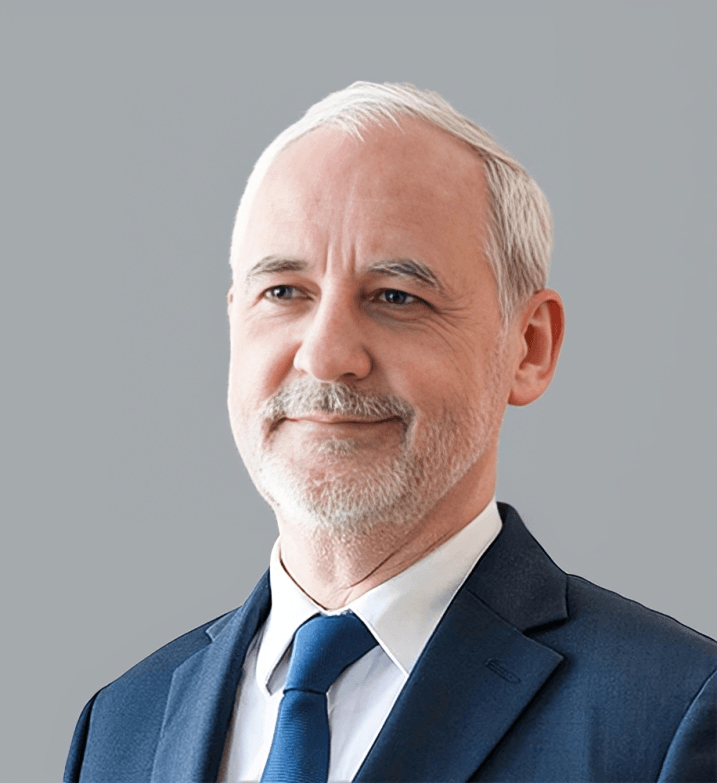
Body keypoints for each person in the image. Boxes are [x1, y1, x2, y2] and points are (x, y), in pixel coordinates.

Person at [64, 82, 716, 783]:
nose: (325, 355)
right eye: (283, 291)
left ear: (528, 347)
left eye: (396, 296)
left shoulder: (669, 716)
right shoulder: (120, 726)